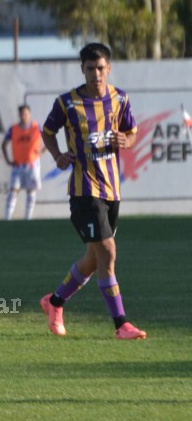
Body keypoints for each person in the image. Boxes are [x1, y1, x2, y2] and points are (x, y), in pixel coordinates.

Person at [39, 43, 146, 340]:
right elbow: (47, 132)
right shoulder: (68, 103)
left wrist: (127, 140)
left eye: (100, 68)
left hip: (112, 190)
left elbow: (132, 132)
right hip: (84, 191)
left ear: (108, 68)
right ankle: (121, 324)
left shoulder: (120, 99)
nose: (96, 74)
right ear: (82, 70)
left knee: (94, 260)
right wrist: (58, 155)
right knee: (108, 252)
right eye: (90, 68)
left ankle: (55, 302)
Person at [1, 104, 44, 220]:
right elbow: (4, 144)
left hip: (32, 164)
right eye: (22, 114)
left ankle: (27, 219)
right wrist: (8, 160)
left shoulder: (36, 127)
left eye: (26, 114)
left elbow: (50, 138)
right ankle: (7, 219)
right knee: (13, 191)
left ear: (29, 114)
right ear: (19, 115)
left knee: (31, 191)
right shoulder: (14, 129)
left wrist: (43, 150)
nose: (24, 116)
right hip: (18, 164)